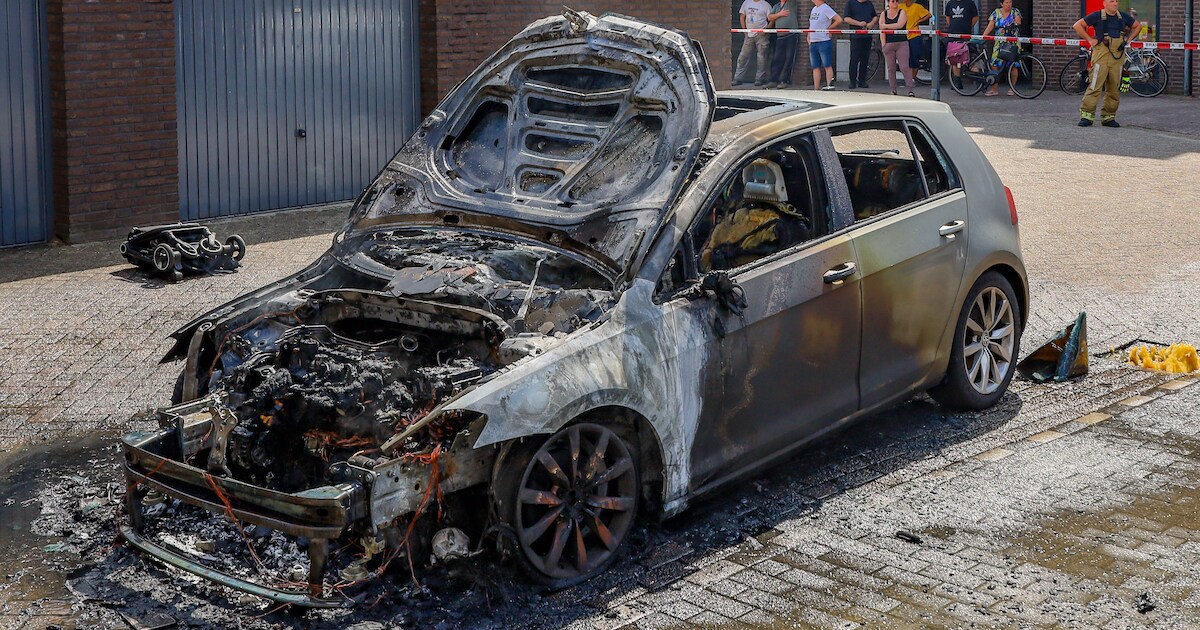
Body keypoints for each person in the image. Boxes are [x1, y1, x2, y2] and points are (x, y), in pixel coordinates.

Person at [1075, 0, 1138, 127]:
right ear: (1104, 3)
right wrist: (1090, 40)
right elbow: (1077, 25)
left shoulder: (1123, 17)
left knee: (1114, 88)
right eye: (1112, 1)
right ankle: (1086, 115)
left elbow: (1137, 26)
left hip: (1117, 56)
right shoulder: (1096, 15)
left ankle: (1109, 117)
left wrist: (1128, 40)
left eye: (1116, 1)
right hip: (1101, 55)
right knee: (1095, 85)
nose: (1115, 4)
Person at [982, 0, 1021, 96]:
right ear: (1001, 4)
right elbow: (991, 25)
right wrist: (983, 36)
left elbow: (1018, 21)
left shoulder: (1015, 11)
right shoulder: (996, 12)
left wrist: (1012, 23)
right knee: (994, 63)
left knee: (1014, 65)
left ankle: (1012, 88)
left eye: (1010, 2)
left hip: (1013, 43)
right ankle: (994, 89)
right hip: (999, 43)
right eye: (1006, 2)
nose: (1009, 4)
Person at [734, 0, 774, 86]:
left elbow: (772, 19)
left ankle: (760, 79)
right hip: (749, 35)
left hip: (761, 36)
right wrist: (745, 30)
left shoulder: (766, 5)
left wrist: (766, 30)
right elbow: (742, 17)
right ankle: (738, 78)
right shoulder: (746, 3)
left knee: (761, 58)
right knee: (743, 56)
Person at [879, 0, 914, 96]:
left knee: (904, 67)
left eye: (896, 1)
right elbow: (881, 30)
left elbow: (899, 25)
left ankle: (910, 89)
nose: (895, 3)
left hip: (901, 43)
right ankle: (893, 89)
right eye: (893, 1)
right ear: (888, 3)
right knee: (891, 68)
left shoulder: (902, 12)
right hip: (889, 43)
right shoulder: (883, 14)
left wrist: (885, 26)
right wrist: (883, 45)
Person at [808, 0, 844, 90]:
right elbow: (812, 25)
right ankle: (816, 89)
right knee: (815, 66)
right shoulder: (814, 9)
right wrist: (808, 36)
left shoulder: (825, 8)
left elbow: (839, 19)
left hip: (823, 40)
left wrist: (829, 28)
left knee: (827, 65)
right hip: (813, 41)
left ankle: (829, 86)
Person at [843, 0, 879, 89]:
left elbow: (875, 16)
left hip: (867, 36)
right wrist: (858, 23)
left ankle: (862, 80)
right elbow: (846, 18)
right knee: (854, 59)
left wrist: (871, 23)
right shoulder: (850, 3)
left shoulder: (869, 3)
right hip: (856, 36)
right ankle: (852, 81)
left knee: (865, 59)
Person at [766, 0, 801, 88]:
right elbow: (770, 17)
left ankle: (785, 80)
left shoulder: (791, 3)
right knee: (777, 58)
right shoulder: (776, 6)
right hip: (780, 36)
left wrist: (776, 16)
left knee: (789, 58)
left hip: (791, 35)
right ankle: (774, 80)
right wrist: (779, 14)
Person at [943, 0, 978, 86]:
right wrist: (952, 27)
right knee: (955, 58)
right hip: (953, 35)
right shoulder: (950, 3)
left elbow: (975, 17)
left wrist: (968, 26)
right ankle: (957, 81)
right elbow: (948, 17)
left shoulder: (970, 3)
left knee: (970, 56)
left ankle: (976, 78)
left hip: (966, 35)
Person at [902, 0, 931, 84]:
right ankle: (908, 78)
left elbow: (929, 15)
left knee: (915, 57)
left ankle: (912, 78)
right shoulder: (901, 7)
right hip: (904, 36)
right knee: (906, 59)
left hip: (914, 35)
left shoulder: (917, 7)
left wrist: (919, 21)